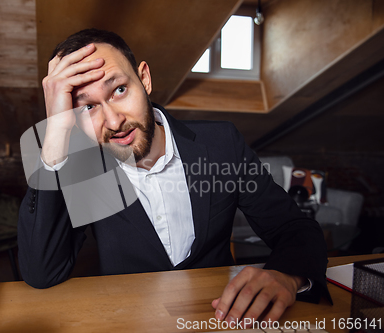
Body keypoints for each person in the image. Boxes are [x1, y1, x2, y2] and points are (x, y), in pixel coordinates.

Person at [18, 28, 330, 326]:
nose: (114, 121)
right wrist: (55, 138)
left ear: (145, 79)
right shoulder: (85, 166)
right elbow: (42, 272)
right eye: (87, 108)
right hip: (126, 321)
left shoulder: (221, 144)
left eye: (120, 90)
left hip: (219, 319)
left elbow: (293, 227)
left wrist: (289, 275)